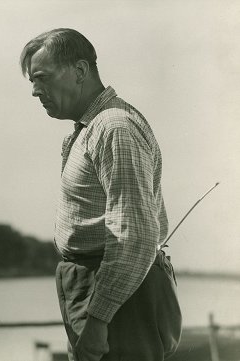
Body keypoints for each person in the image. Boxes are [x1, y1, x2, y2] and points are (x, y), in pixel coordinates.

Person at [20, 29, 182, 361]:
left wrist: (98, 320)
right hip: (100, 294)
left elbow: (134, 236)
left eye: (42, 78)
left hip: (119, 304)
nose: (36, 91)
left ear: (80, 71)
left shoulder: (113, 128)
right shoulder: (89, 129)